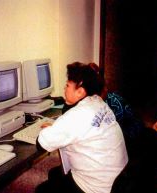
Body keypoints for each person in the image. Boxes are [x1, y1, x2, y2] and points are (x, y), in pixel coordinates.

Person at [35, 62, 128, 193]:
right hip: (119, 180)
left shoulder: (77, 116)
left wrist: (49, 130)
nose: (64, 88)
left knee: (42, 190)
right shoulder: (99, 103)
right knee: (55, 174)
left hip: (96, 188)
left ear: (80, 92)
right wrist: (58, 128)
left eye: (67, 85)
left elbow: (41, 144)